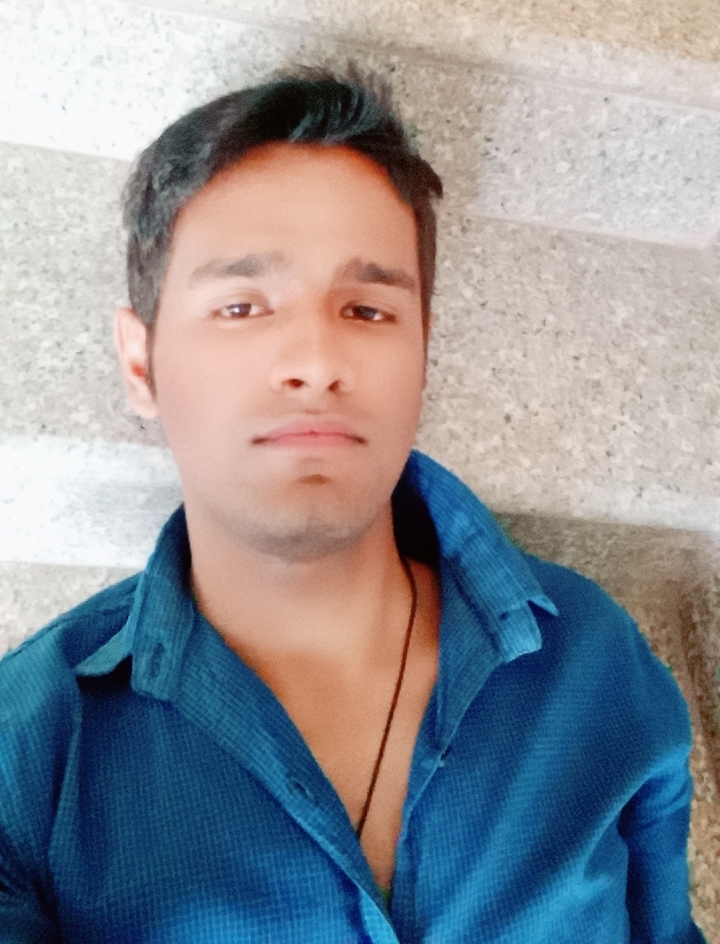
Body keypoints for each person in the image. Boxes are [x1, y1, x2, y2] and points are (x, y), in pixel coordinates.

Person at [0, 69, 706, 944]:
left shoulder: (595, 661)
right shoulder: (26, 756)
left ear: (423, 353)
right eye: (242, 306)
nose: (316, 360)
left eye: (368, 311)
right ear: (140, 363)